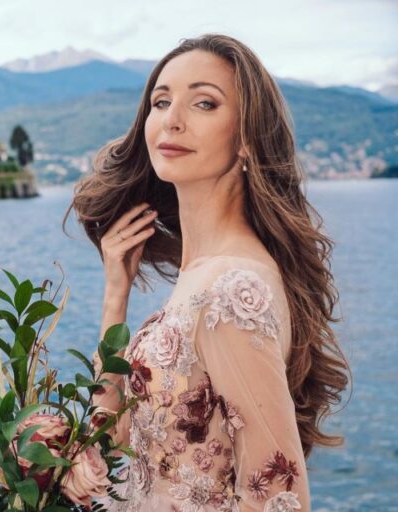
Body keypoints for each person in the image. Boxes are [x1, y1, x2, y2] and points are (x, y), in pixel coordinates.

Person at [65, 33, 351, 511]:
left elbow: (280, 497)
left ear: (246, 139)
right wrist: (116, 294)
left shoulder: (230, 290)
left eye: (203, 103)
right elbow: (113, 438)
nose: (171, 120)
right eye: (161, 101)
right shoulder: (202, 276)